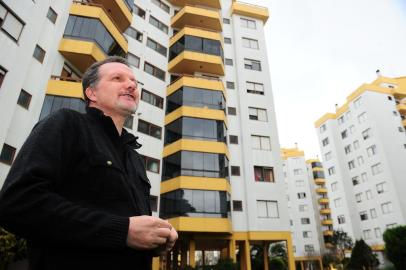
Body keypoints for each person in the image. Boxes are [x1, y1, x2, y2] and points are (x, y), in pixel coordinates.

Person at [0, 56, 177, 270]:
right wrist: (123, 232)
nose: (131, 84)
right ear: (91, 93)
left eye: (134, 81)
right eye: (117, 78)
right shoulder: (67, 124)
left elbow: (129, 227)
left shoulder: (134, 157)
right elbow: (17, 202)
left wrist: (154, 239)